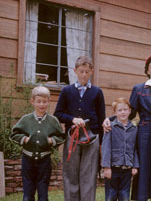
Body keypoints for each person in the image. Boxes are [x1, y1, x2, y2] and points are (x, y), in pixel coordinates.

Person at [103, 54, 151, 200]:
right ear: (148, 70)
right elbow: (129, 113)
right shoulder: (138, 88)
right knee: (143, 170)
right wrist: (110, 120)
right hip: (144, 134)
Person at [54, 56, 106, 201]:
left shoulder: (97, 92)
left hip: (92, 138)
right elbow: (57, 114)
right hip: (73, 138)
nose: (84, 75)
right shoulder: (66, 91)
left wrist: (101, 143)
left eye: (87, 72)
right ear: (75, 71)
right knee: (71, 173)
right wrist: (72, 119)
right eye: (81, 71)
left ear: (92, 72)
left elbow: (102, 118)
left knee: (88, 174)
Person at [10, 86, 66, 201]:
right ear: (32, 102)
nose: (41, 104)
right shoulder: (26, 119)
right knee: (27, 194)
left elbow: (61, 136)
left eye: (44, 102)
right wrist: (24, 139)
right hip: (28, 160)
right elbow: (13, 135)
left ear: (49, 102)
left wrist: (51, 141)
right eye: (38, 101)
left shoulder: (53, 120)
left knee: (43, 193)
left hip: (44, 161)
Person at [101, 97, 139, 201]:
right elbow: (106, 148)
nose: (123, 112)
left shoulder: (134, 129)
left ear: (130, 111)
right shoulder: (110, 127)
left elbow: (135, 148)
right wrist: (106, 167)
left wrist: (135, 165)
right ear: (115, 113)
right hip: (113, 168)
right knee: (111, 195)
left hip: (127, 168)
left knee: (124, 195)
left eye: (125, 109)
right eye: (119, 110)